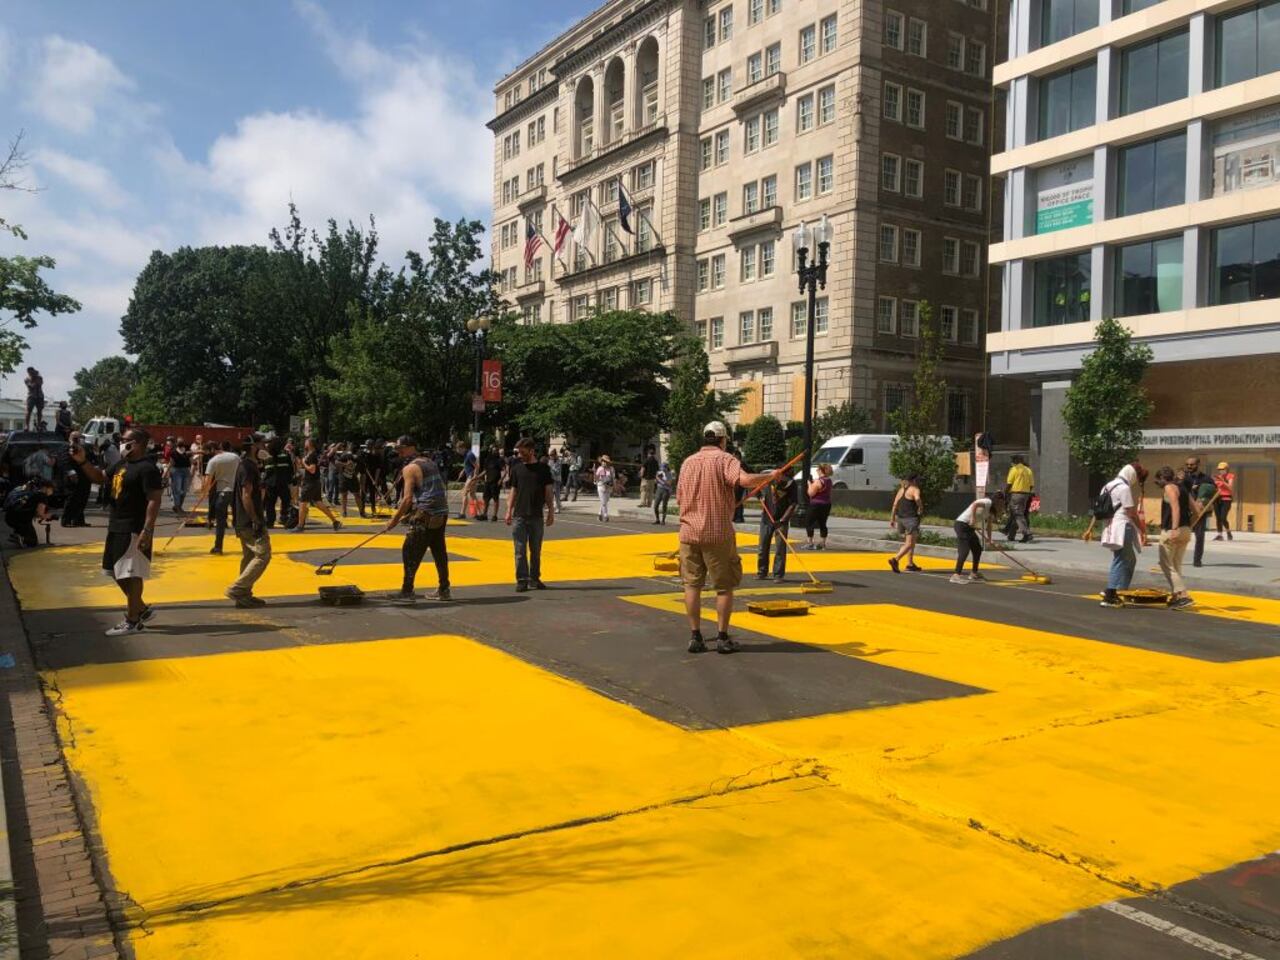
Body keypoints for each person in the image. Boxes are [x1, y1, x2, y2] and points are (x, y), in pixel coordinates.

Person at [676, 421, 773, 654]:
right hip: (717, 532)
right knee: (724, 587)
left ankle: (695, 636)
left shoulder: (688, 462)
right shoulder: (726, 459)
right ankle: (722, 636)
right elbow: (744, 481)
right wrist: (770, 476)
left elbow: (679, 496)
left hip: (689, 532)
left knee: (692, 585)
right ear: (723, 440)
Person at [72, 427, 163, 636]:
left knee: (132, 574)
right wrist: (82, 461)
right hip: (116, 525)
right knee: (115, 572)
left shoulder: (147, 468)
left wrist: (147, 530)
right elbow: (99, 477)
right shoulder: (122, 464)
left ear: (138, 443)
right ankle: (140, 609)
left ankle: (132, 620)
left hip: (133, 527)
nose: (121, 442)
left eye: (125, 440)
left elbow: (154, 500)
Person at [385, 436, 452, 603]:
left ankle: (407, 591)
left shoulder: (409, 468)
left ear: (410, 448)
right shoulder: (429, 462)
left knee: (409, 550)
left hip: (426, 513)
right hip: (441, 511)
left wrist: (393, 521)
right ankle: (444, 589)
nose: (399, 453)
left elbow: (407, 499)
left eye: (401, 449)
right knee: (439, 551)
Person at [226, 434, 272, 608]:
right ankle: (237, 589)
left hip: (243, 518)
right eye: (262, 444)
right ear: (254, 447)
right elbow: (246, 495)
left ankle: (244, 595)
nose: (265, 447)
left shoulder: (247, 465)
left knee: (249, 556)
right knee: (263, 555)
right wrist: (255, 519)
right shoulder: (248, 467)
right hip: (249, 520)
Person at [505, 437, 555, 592]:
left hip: (536, 516)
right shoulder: (517, 469)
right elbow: (513, 491)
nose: (519, 455)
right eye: (518, 452)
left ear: (531, 451)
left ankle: (534, 578)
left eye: (523, 452)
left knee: (536, 550)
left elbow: (548, 491)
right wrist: (508, 510)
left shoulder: (543, 469)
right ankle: (521, 580)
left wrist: (551, 511)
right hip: (519, 515)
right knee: (519, 550)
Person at [1099, 463, 1149, 608]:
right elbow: (1131, 513)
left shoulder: (1108, 486)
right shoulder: (1124, 488)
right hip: (1122, 527)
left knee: (1129, 559)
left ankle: (1119, 589)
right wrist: (1142, 529)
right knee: (1122, 559)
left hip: (1110, 526)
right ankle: (1110, 593)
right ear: (1132, 474)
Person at [1155, 466, 1194, 609]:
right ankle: (1176, 596)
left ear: (1163, 478)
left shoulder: (1169, 487)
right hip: (1186, 530)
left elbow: (1175, 507)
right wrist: (1188, 525)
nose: (1158, 484)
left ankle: (1183, 595)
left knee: (1165, 564)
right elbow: (1196, 508)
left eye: (1157, 481)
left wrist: (1174, 528)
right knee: (1176, 566)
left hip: (1173, 530)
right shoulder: (1183, 488)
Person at [950, 492, 1005, 584]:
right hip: (962, 524)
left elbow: (989, 526)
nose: (1002, 504)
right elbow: (975, 504)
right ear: (997, 500)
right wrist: (973, 519)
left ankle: (974, 573)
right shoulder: (987, 502)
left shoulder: (991, 510)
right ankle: (956, 575)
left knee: (977, 549)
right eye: (1001, 501)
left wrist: (990, 539)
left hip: (969, 527)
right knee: (964, 550)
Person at [292, 438, 342, 532]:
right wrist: (300, 461)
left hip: (310, 483)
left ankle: (300, 526)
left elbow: (312, 469)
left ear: (310, 444)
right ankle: (335, 521)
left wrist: (303, 463)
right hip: (314, 482)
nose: (305, 443)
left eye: (306, 441)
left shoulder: (312, 455)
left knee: (302, 504)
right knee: (318, 503)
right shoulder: (310, 454)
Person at [756, 473, 796, 581]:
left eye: (782, 478)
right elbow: (754, 484)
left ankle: (778, 575)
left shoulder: (791, 484)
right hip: (767, 519)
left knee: (780, 548)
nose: (779, 480)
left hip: (781, 520)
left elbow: (793, 504)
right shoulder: (769, 480)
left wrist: (782, 520)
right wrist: (758, 494)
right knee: (762, 547)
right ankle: (762, 572)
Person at [204, 440, 240, 554]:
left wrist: (205, 491)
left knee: (220, 521)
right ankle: (248, 545)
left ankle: (218, 547)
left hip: (222, 492)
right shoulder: (235, 457)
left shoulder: (213, 461)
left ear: (212, 450)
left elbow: (208, 480)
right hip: (236, 491)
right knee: (240, 519)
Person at [888, 475, 923, 573]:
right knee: (909, 543)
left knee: (911, 541)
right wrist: (920, 507)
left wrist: (892, 519)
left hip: (901, 519)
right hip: (911, 519)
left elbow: (895, 505)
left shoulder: (901, 490)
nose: (918, 482)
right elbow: (917, 498)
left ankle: (910, 564)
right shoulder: (915, 489)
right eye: (918, 480)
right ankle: (895, 559)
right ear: (914, 480)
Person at [4, 478, 54, 547]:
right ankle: (21, 538)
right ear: (45, 488)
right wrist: (50, 516)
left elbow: (31, 509)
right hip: (20, 519)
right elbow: (40, 513)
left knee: (26, 525)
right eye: (51, 489)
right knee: (32, 542)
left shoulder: (33, 492)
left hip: (9, 516)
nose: (52, 491)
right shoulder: (42, 496)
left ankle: (18, 534)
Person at [1181, 456, 1212, 568]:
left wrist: (1204, 500)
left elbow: (1212, 492)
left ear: (1198, 464)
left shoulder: (1206, 478)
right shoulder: (1183, 478)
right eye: (1187, 464)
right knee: (1180, 535)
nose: (1189, 466)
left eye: (1192, 464)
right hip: (1184, 510)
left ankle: (1197, 560)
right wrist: (1190, 489)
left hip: (1199, 512)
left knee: (1199, 536)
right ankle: (1175, 558)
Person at [61, 431, 93, 527]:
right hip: (73, 478)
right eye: (76, 438)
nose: (78, 439)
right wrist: (71, 473)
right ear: (70, 438)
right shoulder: (66, 447)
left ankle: (78, 520)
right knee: (72, 499)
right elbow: (64, 461)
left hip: (85, 477)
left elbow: (91, 459)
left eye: (80, 437)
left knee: (83, 499)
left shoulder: (85, 447)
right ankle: (66, 520)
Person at [261, 437, 294, 528]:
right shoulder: (285, 455)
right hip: (283, 482)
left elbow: (265, 470)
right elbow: (290, 469)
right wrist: (290, 479)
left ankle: (270, 521)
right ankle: (284, 517)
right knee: (285, 500)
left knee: (270, 503)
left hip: (270, 484)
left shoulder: (267, 457)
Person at [1003, 455, 1035, 543]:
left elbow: (1009, 483)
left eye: (1012, 460)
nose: (1011, 462)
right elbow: (1031, 485)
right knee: (1015, 514)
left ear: (1015, 461)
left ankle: (1027, 534)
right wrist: (1027, 492)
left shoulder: (1014, 469)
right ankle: (1011, 534)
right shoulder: (1028, 470)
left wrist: (1005, 493)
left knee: (1017, 514)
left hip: (1016, 494)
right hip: (1026, 494)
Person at [804, 463, 833, 550]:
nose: (816, 470)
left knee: (809, 522)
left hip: (816, 504)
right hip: (826, 504)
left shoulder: (818, 481)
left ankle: (810, 543)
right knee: (822, 523)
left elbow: (810, 493)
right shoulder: (829, 480)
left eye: (817, 469)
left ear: (821, 470)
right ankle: (823, 543)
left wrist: (809, 484)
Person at [1213, 461, 1235, 541]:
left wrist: (1222, 481)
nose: (1221, 471)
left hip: (1226, 499)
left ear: (1226, 469)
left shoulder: (1230, 476)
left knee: (1223, 517)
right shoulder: (1217, 477)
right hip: (1217, 499)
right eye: (1219, 469)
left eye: (1222, 469)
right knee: (1218, 517)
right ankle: (1219, 535)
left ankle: (1228, 532)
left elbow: (1230, 487)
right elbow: (1215, 487)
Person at [481, 445, 504, 521]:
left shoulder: (499, 460)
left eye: (496, 450)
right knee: (486, 499)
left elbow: (504, 471)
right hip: (488, 481)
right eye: (493, 450)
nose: (495, 452)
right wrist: (477, 477)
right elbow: (485, 471)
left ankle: (494, 515)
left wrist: (501, 480)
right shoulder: (487, 460)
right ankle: (484, 514)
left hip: (495, 482)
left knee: (495, 499)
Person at [594, 455, 615, 522]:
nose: (604, 463)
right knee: (603, 502)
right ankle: (606, 515)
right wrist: (596, 478)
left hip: (609, 487)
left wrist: (613, 485)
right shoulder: (600, 469)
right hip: (601, 486)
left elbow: (613, 478)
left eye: (606, 462)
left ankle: (600, 514)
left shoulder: (611, 469)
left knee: (605, 501)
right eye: (603, 461)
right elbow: (596, 478)